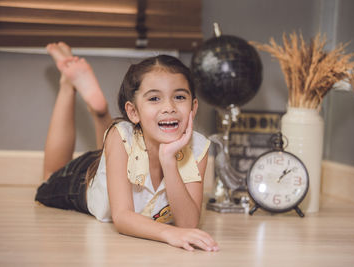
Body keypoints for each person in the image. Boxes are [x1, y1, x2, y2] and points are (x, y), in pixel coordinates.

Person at [35, 42, 219, 252]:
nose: (169, 107)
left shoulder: (199, 148)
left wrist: (169, 161)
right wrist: (170, 234)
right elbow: (122, 217)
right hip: (85, 181)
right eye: (154, 98)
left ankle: (100, 113)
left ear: (193, 108)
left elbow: (188, 224)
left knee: (112, 147)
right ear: (133, 112)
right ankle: (68, 87)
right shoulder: (121, 136)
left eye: (179, 97)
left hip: (122, 158)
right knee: (49, 177)